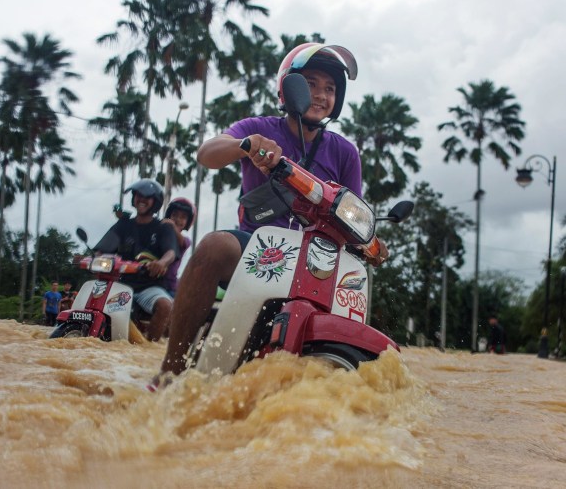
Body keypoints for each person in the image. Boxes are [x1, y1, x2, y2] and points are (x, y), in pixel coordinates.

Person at [156, 42, 389, 381]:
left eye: (330, 88)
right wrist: (245, 145)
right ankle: (169, 372)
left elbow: (354, 214)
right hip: (260, 250)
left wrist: (371, 243)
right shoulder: (260, 128)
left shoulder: (345, 152)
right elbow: (207, 154)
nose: (322, 95)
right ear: (288, 86)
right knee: (213, 246)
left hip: (318, 260)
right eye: (310, 84)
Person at [94, 179, 178, 341]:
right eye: (138, 195)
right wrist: (95, 259)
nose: (141, 200)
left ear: (156, 202)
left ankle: (148, 347)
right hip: (121, 285)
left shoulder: (163, 227)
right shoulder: (123, 225)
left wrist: (161, 263)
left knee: (165, 305)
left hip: (149, 286)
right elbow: (102, 250)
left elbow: (171, 253)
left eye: (146, 197)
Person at [162, 198, 195, 297]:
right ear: (169, 216)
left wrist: (171, 226)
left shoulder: (186, 241)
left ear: (188, 222)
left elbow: (181, 242)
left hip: (169, 287)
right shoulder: (160, 235)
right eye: (175, 215)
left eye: (183, 217)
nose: (178, 219)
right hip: (153, 282)